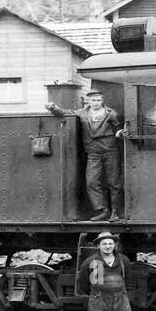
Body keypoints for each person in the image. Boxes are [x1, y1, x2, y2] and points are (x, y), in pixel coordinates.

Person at [46, 90, 126, 221]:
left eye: (98, 100)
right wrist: (53, 108)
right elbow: (65, 113)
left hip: (110, 150)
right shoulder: (82, 112)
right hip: (93, 152)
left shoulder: (111, 113)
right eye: (93, 100)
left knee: (114, 182)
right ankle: (103, 210)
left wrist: (119, 134)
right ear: (88, 101)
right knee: (91, 182)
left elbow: (117, 128)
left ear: (102, 100)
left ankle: (115, 212)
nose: (96, 103)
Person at [75, 231, 137, 311]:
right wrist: (98, 293)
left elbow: (128, 279)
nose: (108, 247)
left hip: (121, 300)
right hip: (99, 300)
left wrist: (118, 290)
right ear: (98, 246)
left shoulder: (123, 260)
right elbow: (83, 283)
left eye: (110, 244)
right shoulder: (91, 261)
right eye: (104, 244)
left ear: (114, 245)